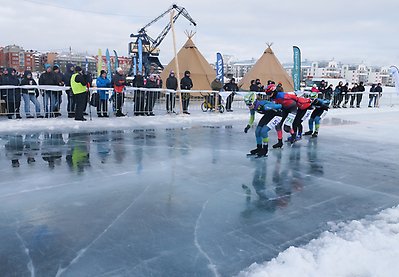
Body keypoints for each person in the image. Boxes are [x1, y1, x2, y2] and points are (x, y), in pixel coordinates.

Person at [243, 92, 282, 157]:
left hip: (278, 115)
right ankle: (259, 148)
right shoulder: (253, 106)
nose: (249, 106)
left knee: (263, 131)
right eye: (247, 105)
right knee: (257, 131)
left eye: (249, 104)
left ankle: (265, 149)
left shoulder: (265, 105)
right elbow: (252, 117)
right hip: (268, 115)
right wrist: (248, 126)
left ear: (254, 101)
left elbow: (280, 106)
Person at [266, 84, 298, 149]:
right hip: (284, 109)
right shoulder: (272, 97)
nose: (268, 95)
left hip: (293, 108)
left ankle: (293, 135)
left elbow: (296, 98)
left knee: (286, 128)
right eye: (267, 93)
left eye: (269, 93)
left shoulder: (282, 95)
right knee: (278, 125)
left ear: (274, 91)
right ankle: (280, 142)